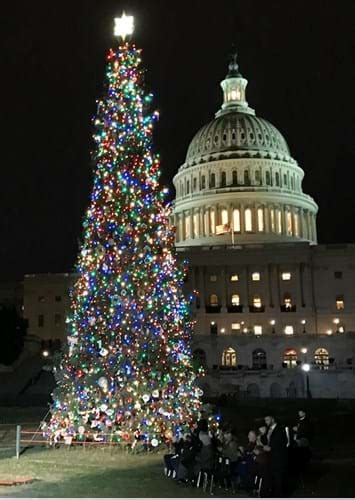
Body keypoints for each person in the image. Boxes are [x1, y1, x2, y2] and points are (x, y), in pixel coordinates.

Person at [262, 415, 288, 497]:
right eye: (265, 420)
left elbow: (283, 443)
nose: (266, 422)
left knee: (278, 479)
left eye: (268, 420)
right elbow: (266, 440)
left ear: (273, 419)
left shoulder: (280, 429)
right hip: (269, 458)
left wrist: (271, 448)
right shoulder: (268, 430)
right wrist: (263, 435)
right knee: (270, 478)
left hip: (278, 458)